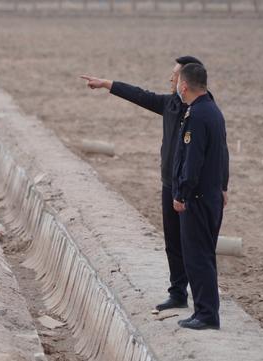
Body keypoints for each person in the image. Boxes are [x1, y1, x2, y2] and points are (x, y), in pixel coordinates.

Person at [80, 56, 226, 312]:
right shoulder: (171, 104)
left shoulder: (201, 110)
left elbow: (219, 151)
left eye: (175, 76)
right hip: (170, 183)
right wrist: (107, 84)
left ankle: (204, 304)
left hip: (190, 189)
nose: (171, 80)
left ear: (186, 81)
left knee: (195, 246)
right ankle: (178, 292)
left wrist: (223, 185)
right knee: (173, 242)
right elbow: (140, 95)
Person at [172, 63, 229, 330]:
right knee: (204, 254)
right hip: (212, 195)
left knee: (197, 256)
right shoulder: (214, 111)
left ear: (184, 86)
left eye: (177, 84)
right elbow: (223, 154)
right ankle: (204, 311)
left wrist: (182, 193)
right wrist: (223, 186)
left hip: (197, 198)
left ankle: (206, 315)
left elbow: (192, 162)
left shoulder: (196, 116)